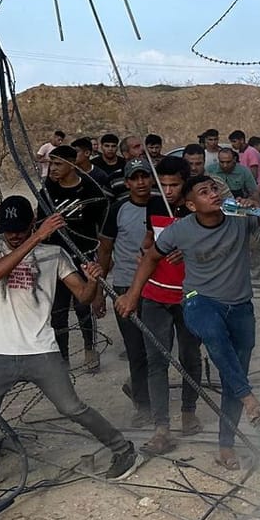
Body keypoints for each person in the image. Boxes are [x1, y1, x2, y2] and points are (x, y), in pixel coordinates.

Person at [0, 196, 137, 489]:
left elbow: (82, 296)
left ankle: (123, 449)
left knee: (72, 407)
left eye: (21, 228)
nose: (14, 235)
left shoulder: (54, 254)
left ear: (31, 224)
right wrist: (39, 237)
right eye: (9, 230)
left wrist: (94, 279)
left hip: (41, 347)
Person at [144, 174, 260, 469]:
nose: (213, 194)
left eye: (214, 189)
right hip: (199, 300)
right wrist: (131, 293)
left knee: (235, 371)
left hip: (240, 305)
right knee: (215, 336)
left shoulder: (238, 217)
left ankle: (226, 446)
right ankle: (249, 400)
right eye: (204, 192)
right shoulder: (180, 231)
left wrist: (252, 207)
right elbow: (151, 257)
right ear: (192, 205)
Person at [115, 156, 203, 446]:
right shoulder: (153, 205)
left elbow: (214, 246)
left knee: (189, 355)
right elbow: (150, 242)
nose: (167, 191)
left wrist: (189, 248)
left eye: (174, 185)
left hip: (189, 294)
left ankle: (188, 411)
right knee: (157, 360)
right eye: (162, 184)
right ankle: (161, 426)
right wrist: (149, 249)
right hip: (155, 294)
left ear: (185, 183)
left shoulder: (199, 207)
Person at [97, 161, 159, 425]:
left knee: (157, 348)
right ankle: (143, 405)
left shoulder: (162, 206)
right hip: (123, 286)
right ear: (127, 182)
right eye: (135, 178)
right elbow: (104, 250)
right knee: (136, 350)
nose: (141, 182)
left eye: (145, 176)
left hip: (157, 287)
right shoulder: (117, 209)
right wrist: (99, 292)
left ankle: (149, 394)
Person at [41, 144, 109, 372]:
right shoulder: (47, 191)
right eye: (51, 163)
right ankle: (62, 358)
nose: (53, 169)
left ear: (72, 164)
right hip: (55, 258)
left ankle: (90, 349)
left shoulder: (91, 191)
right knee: (58, 311)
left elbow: (101, 230)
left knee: (83, 306)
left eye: (58, 164)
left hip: (83, 256)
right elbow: (39, 224)